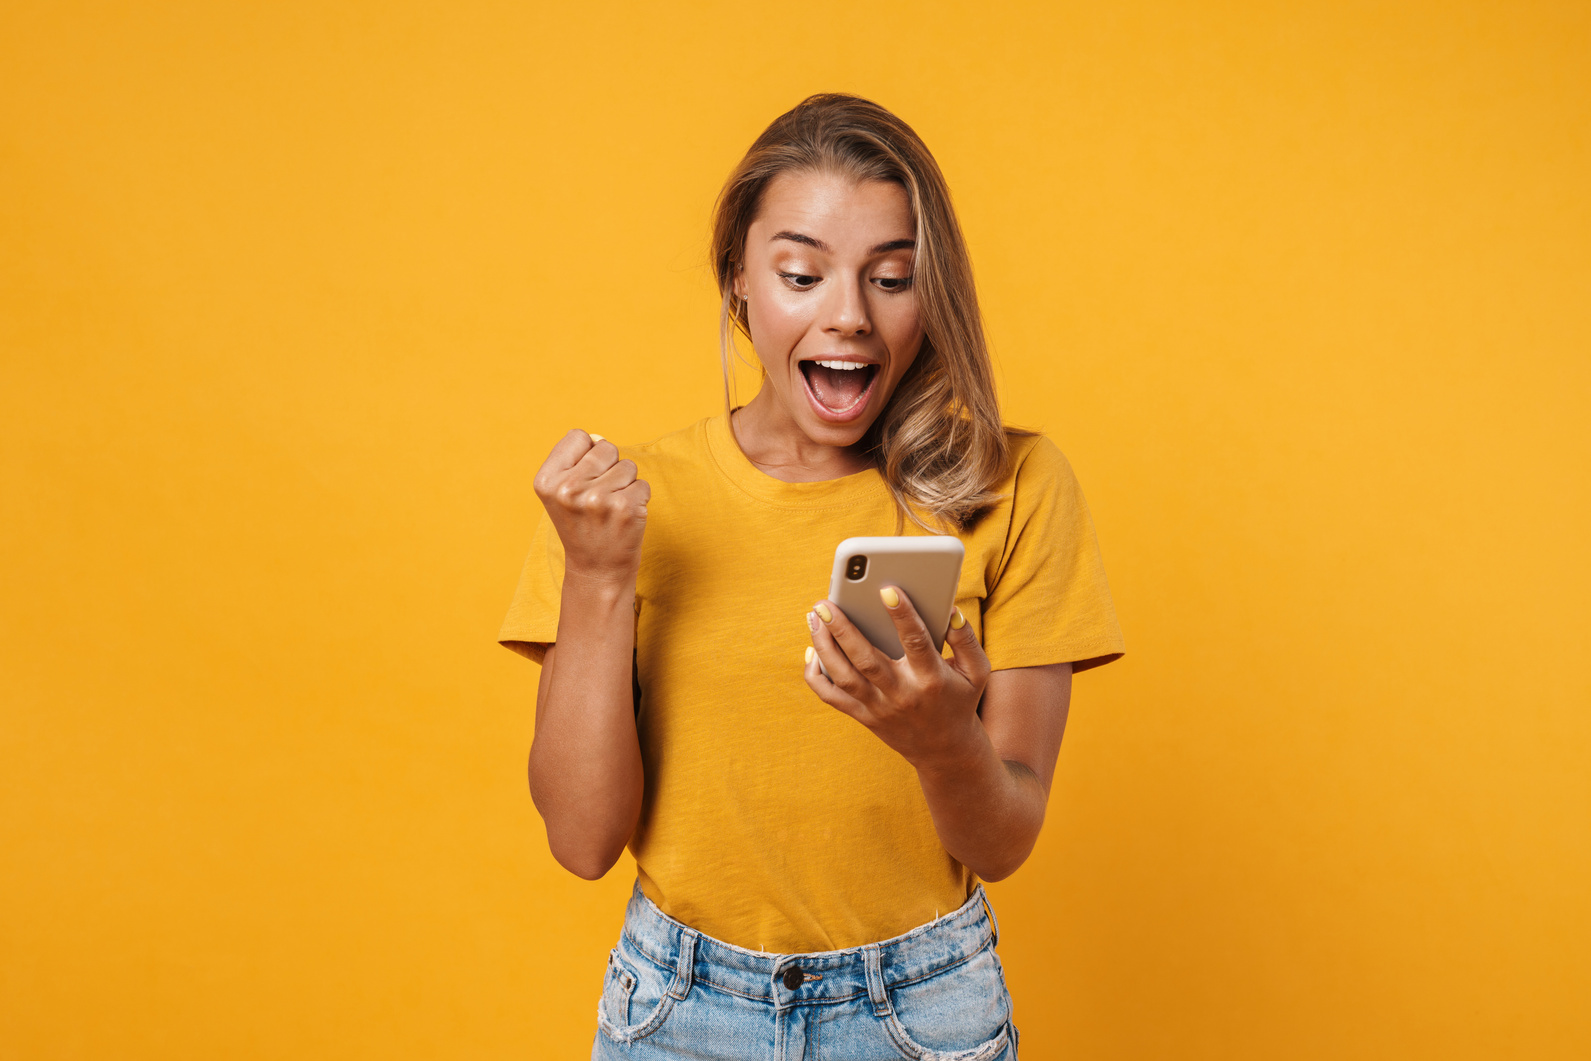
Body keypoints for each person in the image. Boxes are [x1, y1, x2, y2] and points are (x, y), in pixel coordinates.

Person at [500, 93, 1123, 1060]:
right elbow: (582, 843)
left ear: (936, 292)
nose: (848, 316)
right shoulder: (624, 505)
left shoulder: (1016, 486)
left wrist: (941, 741)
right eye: (801, 273)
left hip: (922, 1011)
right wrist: (596, 577)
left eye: (892, 277)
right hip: (677, 1010)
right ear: (738, 282)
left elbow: (1002, 842)